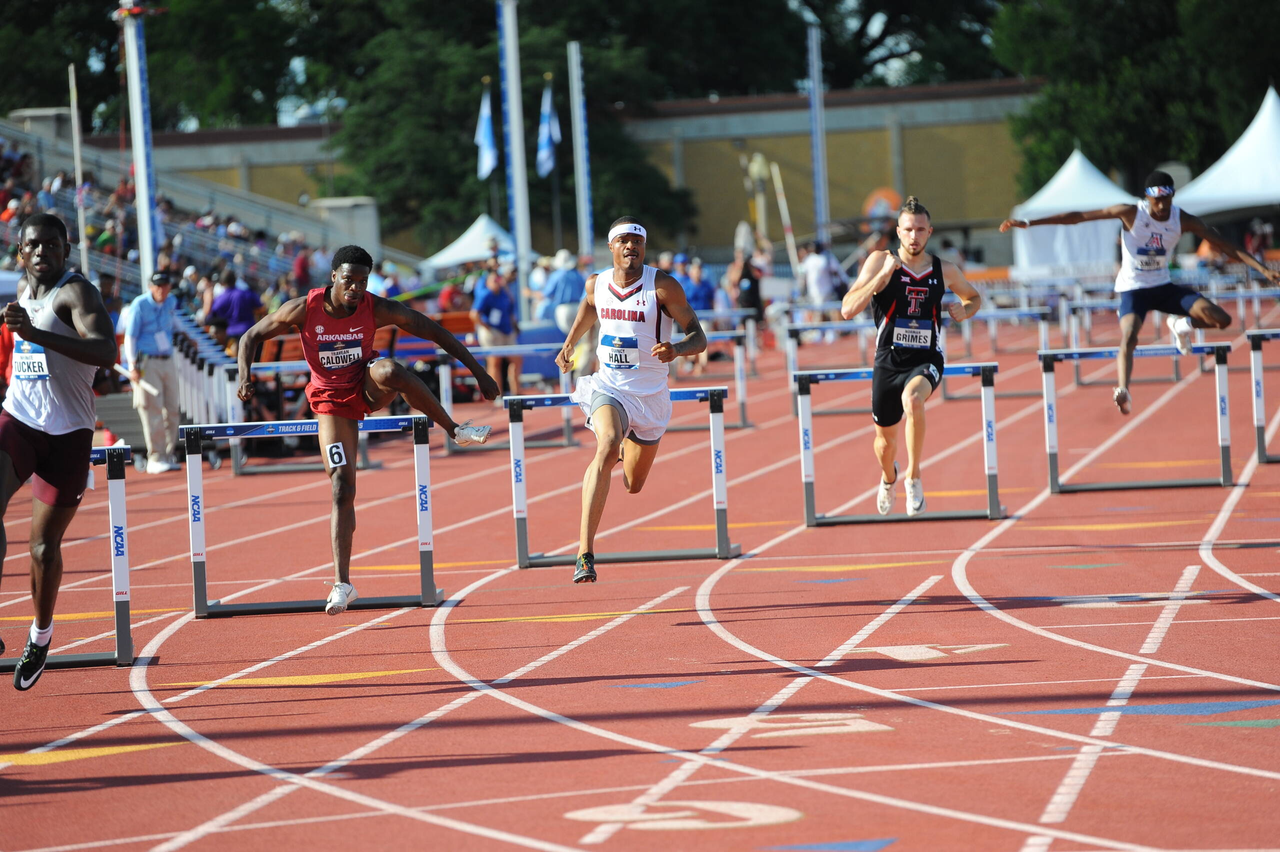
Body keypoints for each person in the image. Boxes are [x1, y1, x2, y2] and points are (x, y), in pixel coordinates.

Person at [237, 245, 499, 615]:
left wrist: (479, 371)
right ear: (333, 278)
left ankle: (454, 429)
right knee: (342, 488)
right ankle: (343, 584)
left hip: (365, 385)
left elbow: (433, 330)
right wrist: (244, 375)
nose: (356, 288)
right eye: (349, 280)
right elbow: (250, 337)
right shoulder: (303, 308)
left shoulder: (375, 307)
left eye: (362, 281)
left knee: (391, 369)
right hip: (329, 403)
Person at [1000, 169, 1280, 414]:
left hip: (1163, 286)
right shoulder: (1131, 212)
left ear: (1172, 196)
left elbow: (1227, 246)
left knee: (1221, 319)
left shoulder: (1183, 220)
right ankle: (1123, 389)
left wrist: (1264, 269)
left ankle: (1180, 324)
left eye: (1165, 199)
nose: (1160, 205)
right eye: (1155, 200)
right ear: (1147, 197)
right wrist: (1030, 223)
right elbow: (1079, 217)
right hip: (1133, 289)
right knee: (1129, 336)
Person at [0, 213, 118, 690]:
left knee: (43, 549)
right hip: (18, 421)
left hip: (68, 436)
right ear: (21, 252)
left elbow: (107, 352)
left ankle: (41, 634)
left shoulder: (76, 293)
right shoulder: (19, 298)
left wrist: (35, 334)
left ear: (66, 251)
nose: (43, 251)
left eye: (53, 243)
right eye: (35, 245)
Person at [554, 217, 707, 584]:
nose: (631, 247)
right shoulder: (597, 284)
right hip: (611, 386)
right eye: (623, 241)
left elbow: (698, 337)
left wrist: (677, 348)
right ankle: (584, 554)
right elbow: (590, 307)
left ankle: (625, 442)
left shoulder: (663, 287)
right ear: (611, 247)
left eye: (637, 241)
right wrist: (571, 341)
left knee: (633, 484)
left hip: (651, 396)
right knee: (606, 445)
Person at [842, 196, 981, 516]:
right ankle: (889, 477)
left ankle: (913, 476)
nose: (914, 235)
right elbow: (848, 309)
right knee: (884, 446)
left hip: (926, 357)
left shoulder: (943, 270)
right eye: (908, 229)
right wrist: (881, 279)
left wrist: (966, 309)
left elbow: (974, 297)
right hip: (888, 360)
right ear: (898, 232)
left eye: (920, 229)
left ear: (929, 232)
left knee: (914, 400)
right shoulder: (879, 261)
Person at [123, 270, 182, 474]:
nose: (161, 290)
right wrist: (132, 365)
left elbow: (173, 322)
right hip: (146, 361)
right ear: (150, 287)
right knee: (152, 408)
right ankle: (155, 456)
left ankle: (167, 452)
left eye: (165, 286)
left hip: (167, 359)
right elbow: (130, 337)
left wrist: (186, 335)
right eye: (157, 286)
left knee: (173, 408)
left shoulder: (171, 302)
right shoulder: (140, 304)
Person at [470, 264, 520, 399]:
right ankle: (496, 395)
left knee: (517, 359)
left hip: (506, 330)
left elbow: (510, 310)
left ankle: (516, 392)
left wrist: (514, 326)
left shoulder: (505, 293)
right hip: (492, 331)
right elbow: (474, 314)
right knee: (494, 362)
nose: (497, 282)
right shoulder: (485, 295)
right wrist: (487, 328)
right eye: (494, 280)